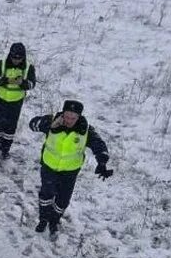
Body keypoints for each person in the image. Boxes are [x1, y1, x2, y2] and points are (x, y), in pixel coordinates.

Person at [27, 100, 112, 235]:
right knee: (46, 195)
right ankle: (43, 219)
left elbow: (99, 145)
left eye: (73, 118)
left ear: (78, 117)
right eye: (66, 116)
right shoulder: (52, 121)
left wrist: (102, 162)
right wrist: (49, 125)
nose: (69, 120)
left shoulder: (85, 130)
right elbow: (32, 124)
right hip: (49, 167)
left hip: (70, 172)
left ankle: (54, 221)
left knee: (63, 200)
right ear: (63, 114)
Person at [0, 42, 36, 159]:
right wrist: (4, 80)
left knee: (10, 127)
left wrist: (22, 83)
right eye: (14, 58)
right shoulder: (1, 64)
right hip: (0, 100)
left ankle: (5, 150)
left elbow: (32, 84)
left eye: (19, 58)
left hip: (16, 102)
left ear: (23, 57)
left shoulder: (29, 68)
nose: (16, 60)